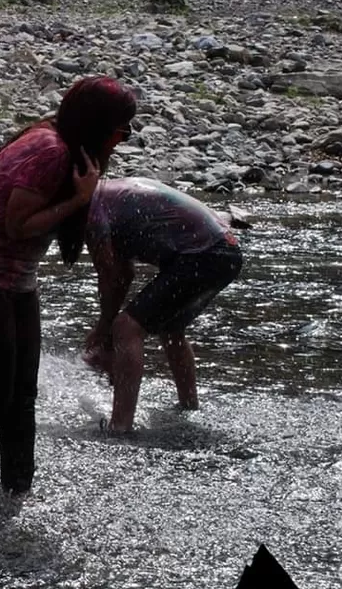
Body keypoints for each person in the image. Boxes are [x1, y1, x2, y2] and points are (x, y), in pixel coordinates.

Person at [0, 75, 137, 497]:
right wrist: (78, 199)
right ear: (97, 124)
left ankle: (17, 491)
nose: (123, 140)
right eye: (121, 130)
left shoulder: (65, 143)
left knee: (20, 397)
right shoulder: (50, 150)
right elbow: (17, 226)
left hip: (13, 283)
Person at [81, 178, 243, 434]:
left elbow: (110, 276)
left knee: (126, 328)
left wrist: (106, 331)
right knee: (171, 327)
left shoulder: (91, 209)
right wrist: (106, 335)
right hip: (226, 251)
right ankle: (188, 406)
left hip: (207, 253)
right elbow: (123, 275)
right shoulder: (110, 194)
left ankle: (120, 427)